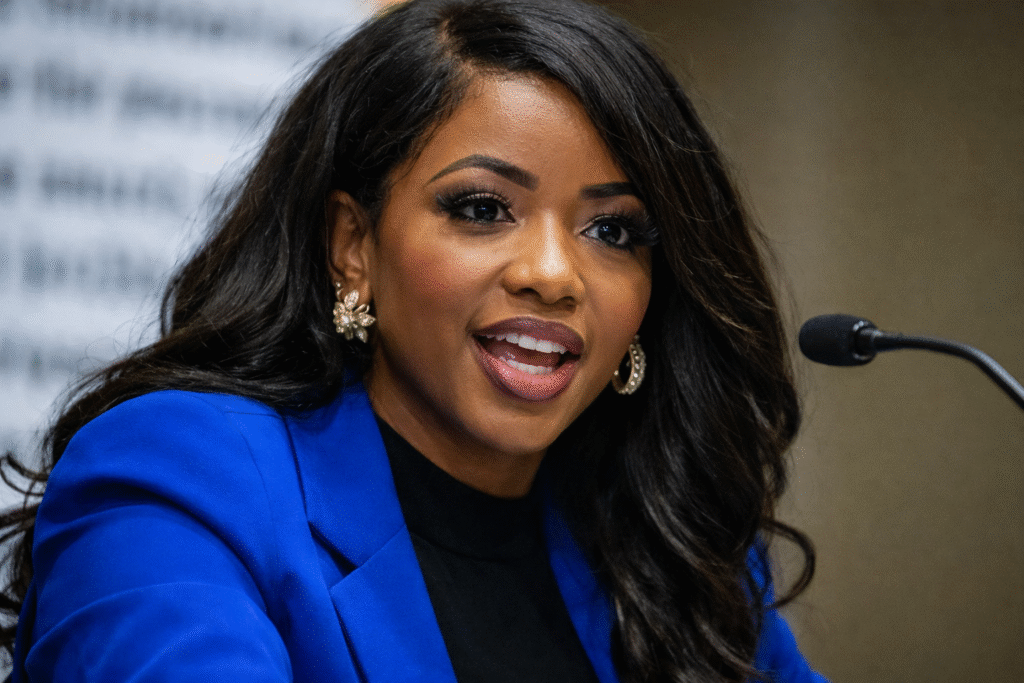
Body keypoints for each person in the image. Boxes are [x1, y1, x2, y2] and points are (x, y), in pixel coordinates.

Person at [0, 0, 827, 681]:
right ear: (352, 247)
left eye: (613, 230)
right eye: (481, 208)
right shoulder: (183, 480)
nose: (554, 273)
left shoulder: (671, 547)